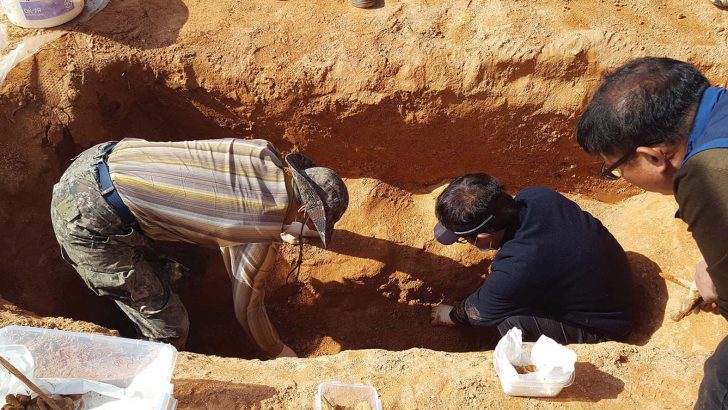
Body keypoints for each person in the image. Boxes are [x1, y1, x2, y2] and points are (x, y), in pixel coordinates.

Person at [50, 138, 348, 359]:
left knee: (188, 264)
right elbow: (247, 309)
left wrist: (285, 229)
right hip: (85, 220)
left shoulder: (262, 151)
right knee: (170, 328)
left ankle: (158, 283)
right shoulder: (255, 228)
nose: (309, 238)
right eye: (313, 230)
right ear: (301, 215)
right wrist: (279, 351)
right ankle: (140, 373)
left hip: (98, 160)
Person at [575, 56, 728, 409]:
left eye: (613, 169)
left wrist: (715, 283)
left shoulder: (705, 174)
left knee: (721, 384)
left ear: (653, 157)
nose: (617, 176)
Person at [429, 173, 633, 344]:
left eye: (464, 239)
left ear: (484, 238)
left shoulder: (517, 268)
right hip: (610, 284)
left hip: (606, 325)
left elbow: (479, 312)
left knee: (511, 323)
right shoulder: (537, 195)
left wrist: (451, 315)